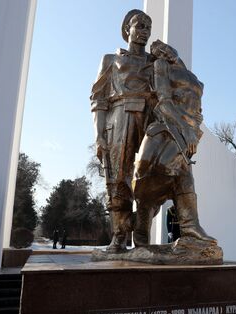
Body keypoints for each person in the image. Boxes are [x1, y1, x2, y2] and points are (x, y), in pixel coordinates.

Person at [131, 39, 215, 245]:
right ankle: (142, 231)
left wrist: (193, 129)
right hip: (167, 127)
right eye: (157, 49)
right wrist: (185, 129)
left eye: (163, 46)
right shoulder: (161, 67)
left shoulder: (192, 77)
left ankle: (190, 226)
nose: (162, 50)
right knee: (151, 177)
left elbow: (198, 110)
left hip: (189, 131)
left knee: (184, 174)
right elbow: (164, 101)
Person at [90, 9, 155, 252]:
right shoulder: (111, 59)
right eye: (140, 26)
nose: (144, 32)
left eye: (148, 27)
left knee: (155, 176)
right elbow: (98, 100)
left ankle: (140, 229)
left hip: (150, 119)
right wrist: (99, 135)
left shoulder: (155, 62)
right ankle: (119, 235)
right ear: (127, 29)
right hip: (119, 119)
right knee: (118, 179)